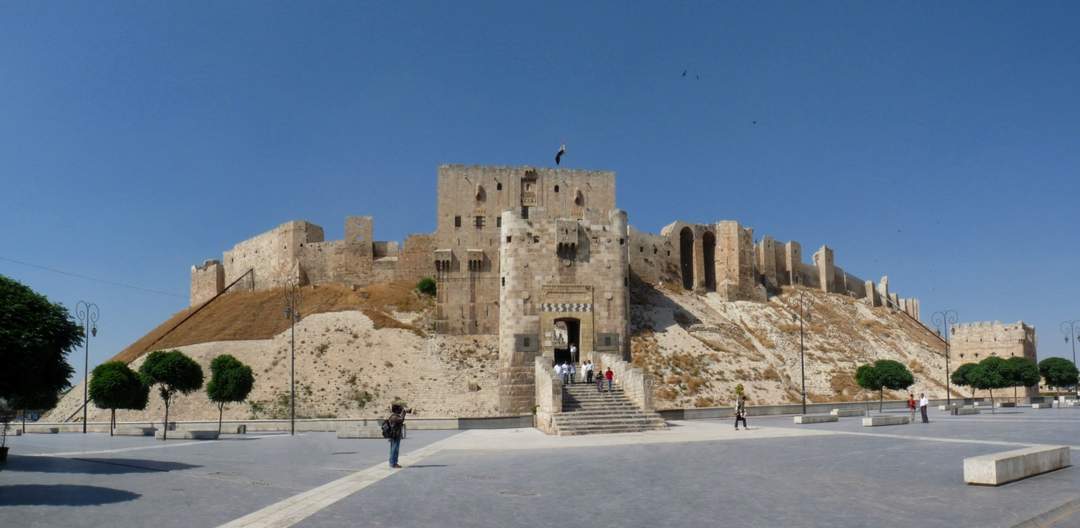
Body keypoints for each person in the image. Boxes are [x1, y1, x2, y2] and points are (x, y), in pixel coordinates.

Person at [386, 403, 409, 468]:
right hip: (395, 435)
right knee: (395, 449)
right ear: (396, 410)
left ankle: (392, 462)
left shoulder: (393, 416)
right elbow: (401, 420)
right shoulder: (394, 417)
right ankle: (394, 463)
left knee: (393, 449)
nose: (400, 410)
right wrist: (404, 412)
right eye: (399, 409)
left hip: (394, 434)